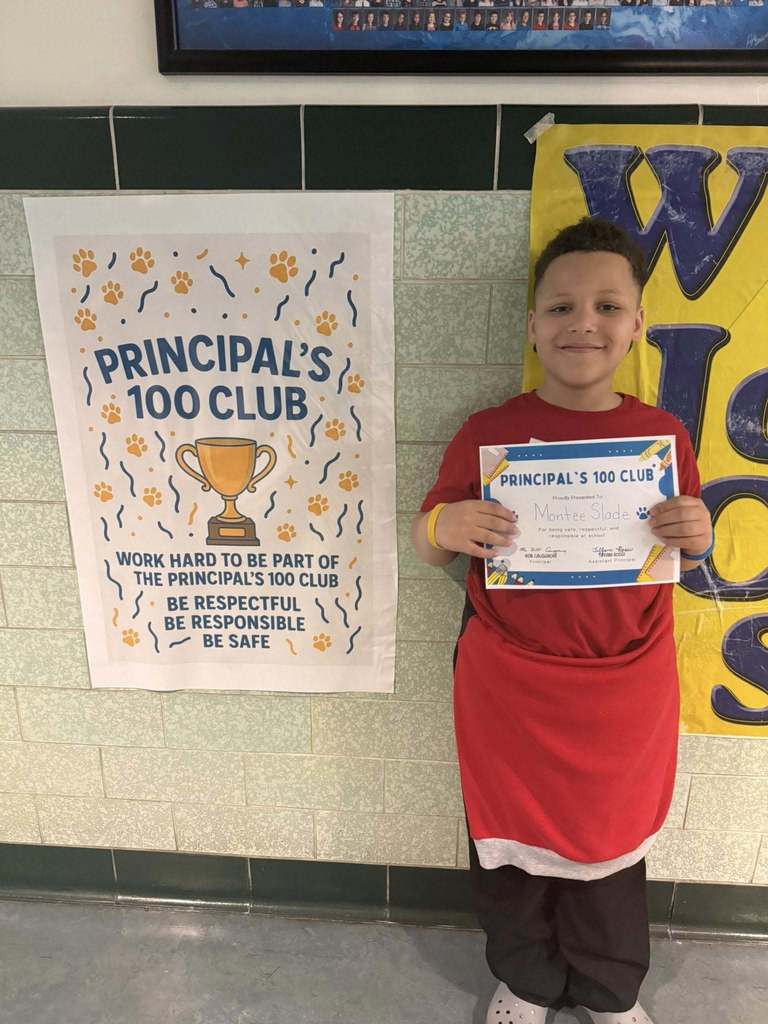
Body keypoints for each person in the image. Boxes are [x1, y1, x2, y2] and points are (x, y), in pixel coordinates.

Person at [410, 217, 713, 1024]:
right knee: (509, 848)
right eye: (561, 307)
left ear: (638, 323)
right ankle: (526, 981)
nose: (585, 322)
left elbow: (682, 546)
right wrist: (446, 528)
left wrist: (700, 531)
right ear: (534, 324)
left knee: (609, 855)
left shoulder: (663, 436)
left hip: (625, 688)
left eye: (609, 306)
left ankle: (610, 993)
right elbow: (428, 539)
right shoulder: (489, 434)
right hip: (509, 688)